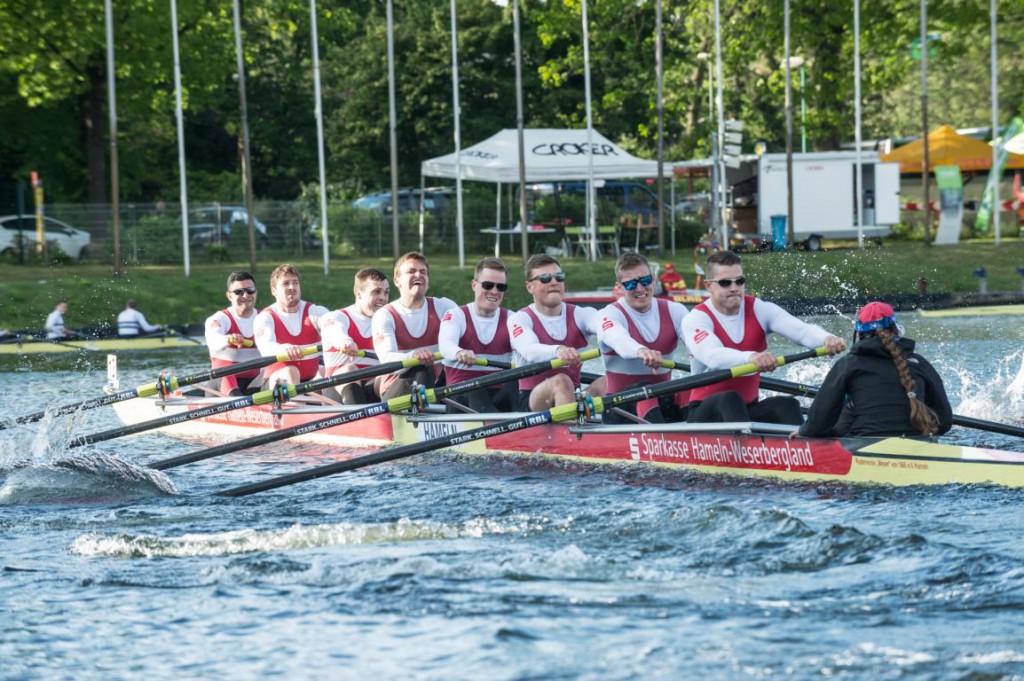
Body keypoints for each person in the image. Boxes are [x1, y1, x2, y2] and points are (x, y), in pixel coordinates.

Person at [682, 250, 846, 425]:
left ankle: (804, 442)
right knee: (730, 399)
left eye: (739, 281)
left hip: (746, 409)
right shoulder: (696, 319)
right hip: (704, 413)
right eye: (725, 283)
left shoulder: (759, 309)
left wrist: (826, 338)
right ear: (709, 286)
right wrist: (751, 357)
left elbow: (801, 331)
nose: (734, 288)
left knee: (787, 405)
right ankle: (746, 441)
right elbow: (713, 356)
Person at [799, 301, 952, 438]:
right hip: (919, 447)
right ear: (896, 329)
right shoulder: (919, 363)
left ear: (858, 333)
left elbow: (817, 425)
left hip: (863, 445)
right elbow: (944, 422)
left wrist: (803, 432)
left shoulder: (848, 364)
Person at [597, 253, 689, 423]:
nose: (640, 289)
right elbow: (619, 340)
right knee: (644, 390)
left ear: (653, 279)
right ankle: (663, 437)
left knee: (690, 387)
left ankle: (704, 436)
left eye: (645, 281)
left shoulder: (676, 311)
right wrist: (641, 351)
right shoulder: (609, 314)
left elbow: (697, 346)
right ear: (619, 288)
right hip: (619, 408)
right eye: (631, 284)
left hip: (661, 402)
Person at [508, 254, 606, 411]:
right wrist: (558, 350)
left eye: (559, 277)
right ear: (529, 287)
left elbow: (608, 328)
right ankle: (571, 425)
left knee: (610, 381)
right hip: (533, 402)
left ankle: (626, 425)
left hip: (574, 396)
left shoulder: (581, 314)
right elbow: (529, 350)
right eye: (545, 278)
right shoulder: (519, 319)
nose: (554, 282)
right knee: (562, 381)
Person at [372, 252, 458, 401]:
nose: (418, 275)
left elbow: (469, 335)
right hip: (398, 387)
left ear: (428, 281)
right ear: (397, 281)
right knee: (422, 367)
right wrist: (413, 356)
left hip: (438, 385)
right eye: (411, 271)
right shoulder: (385, 315)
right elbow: (387, 358)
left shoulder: (444, 306)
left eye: (423, 272)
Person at [438, 257, 515, 413]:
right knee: (475, 387)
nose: (494, 291)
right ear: (474, 285)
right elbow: (445, 344)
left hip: (499, 396)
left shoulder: (513, 318)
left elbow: (527, 347)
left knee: (518, 384)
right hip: (462, 396)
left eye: (500, 287)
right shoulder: (455, 315)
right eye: (488, 285)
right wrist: (459, 352)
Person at [320, 267, 390, 404]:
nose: (383, 298)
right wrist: (345, 342)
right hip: (338, 390)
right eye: (376, 292)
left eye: (386, 292)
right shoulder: (337, 316)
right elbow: (334, 331)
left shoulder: (389, 320)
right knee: (350, 369)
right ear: (358, 293)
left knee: (395, 374)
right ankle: (360, 415)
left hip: (372, 388)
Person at [253, 263, 329, 387]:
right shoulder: (265, 317)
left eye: (295, 283)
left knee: (331, 370)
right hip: (277, 382)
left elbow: (334, 330)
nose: (292, 287)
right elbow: (266, 347)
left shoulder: (316, 312)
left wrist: (342, 340)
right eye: (285, 283)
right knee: (290, 372)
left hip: (311, 382)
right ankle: (297, 398)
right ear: (273, 290)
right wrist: (284, 349)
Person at [204, 271, 262, 395]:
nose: (245, 295)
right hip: (222, 381)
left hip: (253, 383)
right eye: (239, 292)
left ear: (256, 292)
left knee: (277, 373)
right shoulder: (219, 319)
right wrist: (228, 339)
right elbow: (214, 341)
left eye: (250, 290)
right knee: (226, 374)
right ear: (229, 296)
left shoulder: (265, 318)